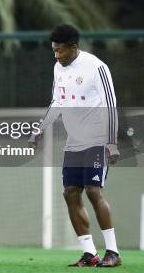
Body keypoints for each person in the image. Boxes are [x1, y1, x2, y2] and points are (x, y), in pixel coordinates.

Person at [29, 24, 121, 267]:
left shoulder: (97, 67)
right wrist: (40, 128)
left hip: (97, 138)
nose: (57, 56)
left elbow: (111, 105)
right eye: (54, 51)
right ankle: (89, 254)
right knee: (70, 192)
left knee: (93, 191)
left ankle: (113, 252)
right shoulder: (58, 68)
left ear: (74, 48)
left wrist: (111, 142)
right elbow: (56, 102)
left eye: (60, 51)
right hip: (74, 141)